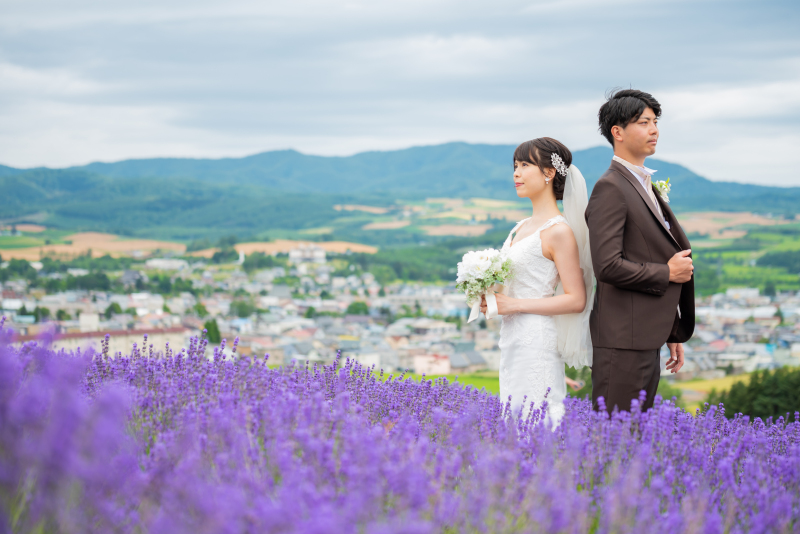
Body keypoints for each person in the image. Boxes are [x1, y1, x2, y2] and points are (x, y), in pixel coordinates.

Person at [586, 89, 695, 414]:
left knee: (633, 441)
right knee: (614, 440)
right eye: (644, 122)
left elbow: (644, 252)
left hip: (645, 337)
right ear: (617, 132)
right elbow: (607, 265)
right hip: (622, 342)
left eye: (655, 121)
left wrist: (670, 328)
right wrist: (668, 273)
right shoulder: (611, 187)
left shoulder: (641, 184)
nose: (654, 129)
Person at [480, 137, 594, 426]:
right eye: (515, 166)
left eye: (525, 165)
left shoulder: (558, 231)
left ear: (548, 173)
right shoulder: (520, 227)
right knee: (514, 419)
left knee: (539, 419)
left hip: (537, 338)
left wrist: (513, 304)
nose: (516, 173)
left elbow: (576, 299)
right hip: (512, 338)